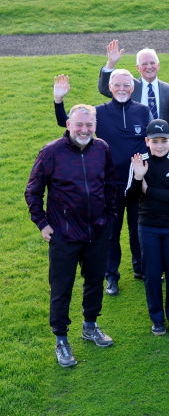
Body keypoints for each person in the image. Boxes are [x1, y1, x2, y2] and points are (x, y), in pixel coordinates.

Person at [26, 104, 116, 367]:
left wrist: (109, 218)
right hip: (64, 236)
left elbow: (111, 185)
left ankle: (90, 326)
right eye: (79, 125)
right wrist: (42, 223)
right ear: (68, 125)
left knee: (95, 282)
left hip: (97, 232)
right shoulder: (51, 152)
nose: (84, 130)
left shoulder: (102, 149)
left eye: (89, 125)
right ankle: (61, 340)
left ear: (95, 127)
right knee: (61, 288)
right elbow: (32, 192)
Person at [54, 71, 150, 295]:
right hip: (110, 186)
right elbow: (65, 122)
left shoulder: (143, 111)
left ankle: (140, 268)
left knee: (138, 229)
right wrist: (59, 100)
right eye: (117, 85)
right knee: (110, 234)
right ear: (110, 86)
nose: (122, 88)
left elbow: (150, 142)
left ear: (133, 87)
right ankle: (111, 276)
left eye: (126, 84)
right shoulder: (99, 112)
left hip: (137, 182)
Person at [125, 119, 169, 335]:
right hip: (148, 227)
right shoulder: (138, 161)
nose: (159, 146)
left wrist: (147, 189)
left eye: (163, 141)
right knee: (151, 275)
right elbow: (130, 197)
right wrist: (138, 178)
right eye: (154, 141)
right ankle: (157, 320)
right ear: (147, 141)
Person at [98, 41, 169, 143]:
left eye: (152, 63)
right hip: (134, 147)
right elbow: (104, 89)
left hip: (160, 148)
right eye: (144, 64)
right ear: (138, 68)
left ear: (158, 65)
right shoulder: (128, 87)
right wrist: (111, 63)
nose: (149, 67)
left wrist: (165, 145)